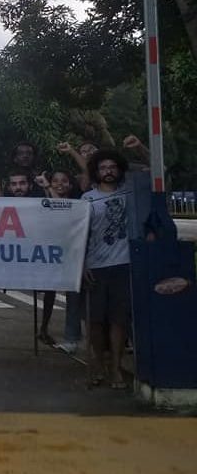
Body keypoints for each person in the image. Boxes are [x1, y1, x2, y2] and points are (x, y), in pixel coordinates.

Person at [82, 149, 135, 389]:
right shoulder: (87, 199)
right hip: (96, 267)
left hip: (123, 266)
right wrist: (82, 264)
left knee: (119, 320)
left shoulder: (129, 193)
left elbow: (156, 169)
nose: (108, 171)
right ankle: (99, 364)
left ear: (119, 169)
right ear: (96, 171)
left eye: (112, 167)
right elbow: (79, 236)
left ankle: (115, 367)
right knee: (95, 321)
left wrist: (136, 148)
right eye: (103, 168)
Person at [7, 167, 57, 346]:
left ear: (29, 185)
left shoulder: (39, 201)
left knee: (50, 287)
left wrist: (48, 187)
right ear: (9, 187)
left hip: (36, 255)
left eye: (22, 183)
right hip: (10, 258)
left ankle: (43, 328)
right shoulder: (3, 203)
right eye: (14, 184)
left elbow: (60, 210)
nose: (18, 187)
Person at [35, 169, 84, 353]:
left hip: (73, 254)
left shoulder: (78, 203)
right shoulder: (42, 200)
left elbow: (61, 207)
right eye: (55, 181)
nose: (59, 184)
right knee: (66, 296)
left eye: (64, 180)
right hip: (51, 254)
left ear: (71, 185)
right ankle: (70, 337)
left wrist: (47, 186)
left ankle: (75, 338)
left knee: (76, 298)